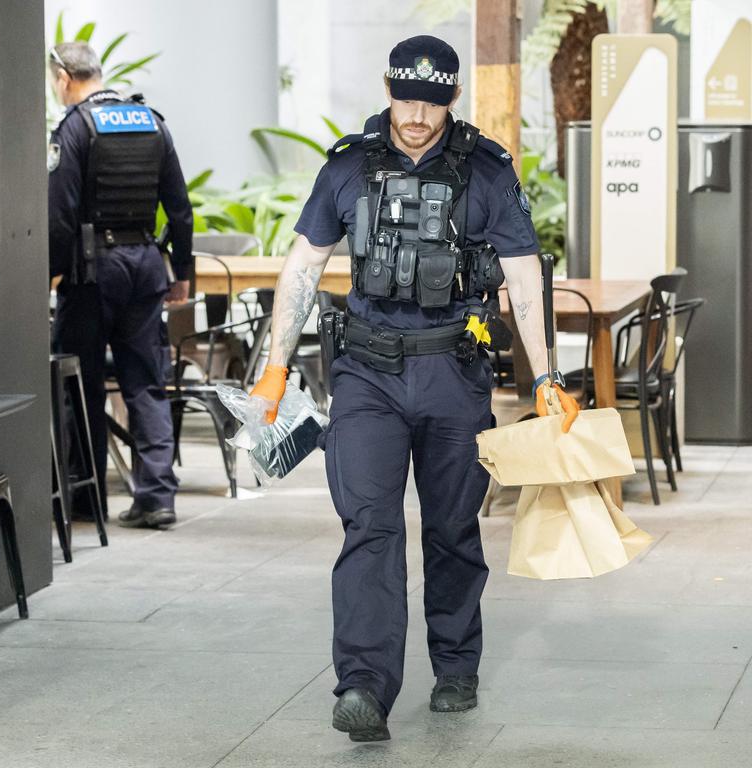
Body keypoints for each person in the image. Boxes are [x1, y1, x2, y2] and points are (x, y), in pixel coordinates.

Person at [250, 35, 579, 741]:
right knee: (369, 526)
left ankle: (456, 663)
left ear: (453, 100)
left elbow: (524, 276)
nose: (418, 115)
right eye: (407, 97)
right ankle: (363, 685)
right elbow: (303, 267)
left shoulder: (487, 173)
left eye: (433, 102)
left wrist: (546, 376)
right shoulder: (347, 167)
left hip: (454, 373)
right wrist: (276, 367)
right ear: (389, 90)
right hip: (366, 371)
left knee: (454, 528)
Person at [48, 42, 193, 530]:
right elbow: (180, 209)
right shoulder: (151, 120)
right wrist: (183, 272)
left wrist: (51, 272)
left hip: (92, 273)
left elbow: (62, 213)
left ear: (64, 77)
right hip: (146, 268)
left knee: (80, 384)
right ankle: (156, 497)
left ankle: (86, 500)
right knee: (146, 383)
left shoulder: (75, 128)